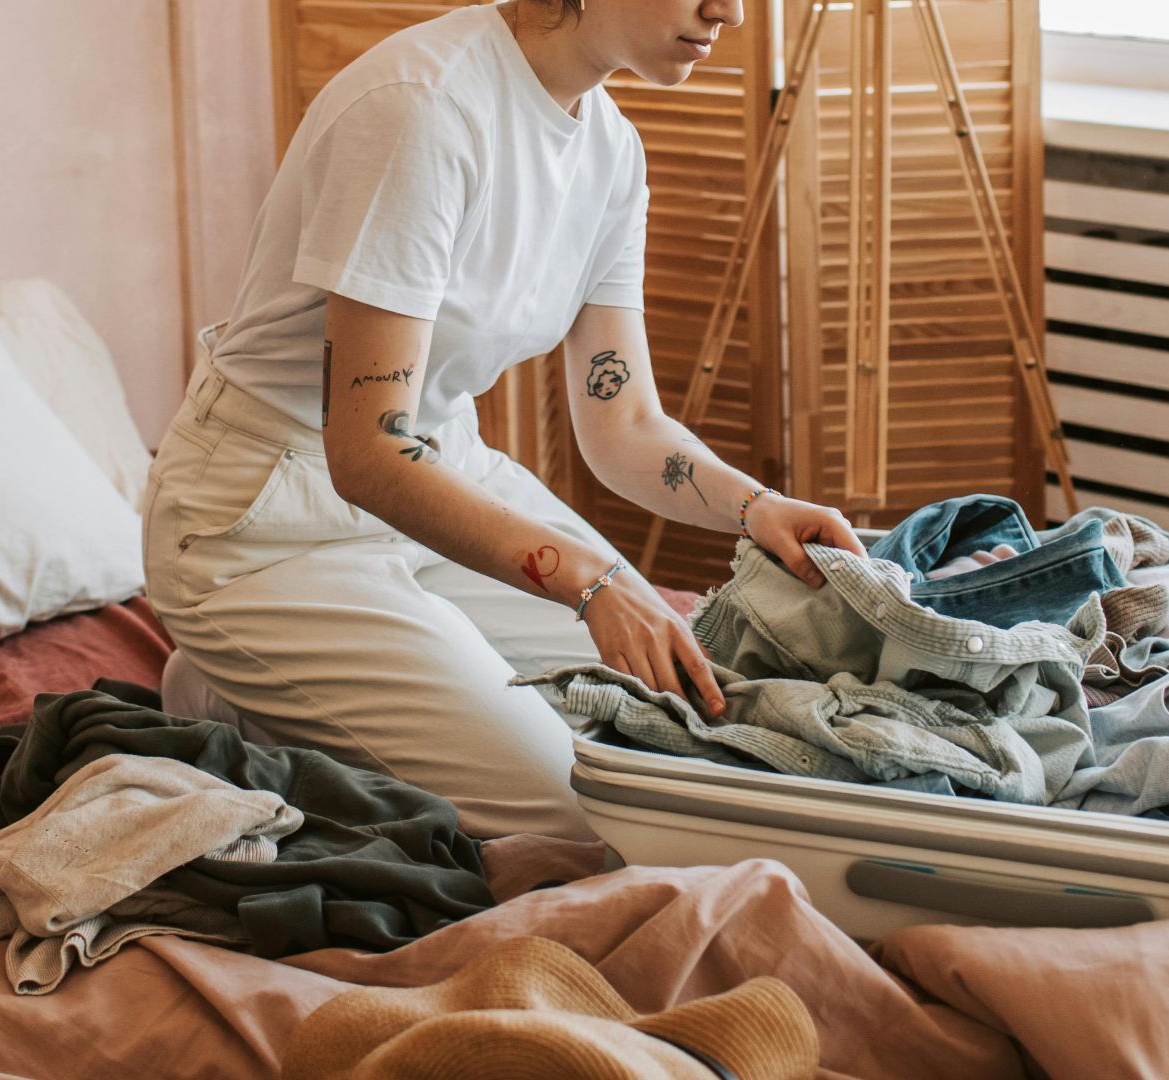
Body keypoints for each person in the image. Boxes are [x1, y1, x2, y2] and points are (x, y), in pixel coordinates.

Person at [143, 0, 867, 841]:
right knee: (591, 818)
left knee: (670, 735)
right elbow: (368, 456)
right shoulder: (420, 108)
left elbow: (624, 422)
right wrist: (592, 582)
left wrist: (756, 506)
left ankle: (255, 687)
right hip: (269, 521)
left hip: (445, 472)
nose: (730, 13)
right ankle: (240, 687)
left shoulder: (609, 148)